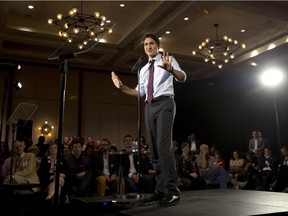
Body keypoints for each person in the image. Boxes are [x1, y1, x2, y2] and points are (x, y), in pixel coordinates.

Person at [111, 33, 186, 205]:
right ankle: (160, 190)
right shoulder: (144, 69)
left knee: (163, 145)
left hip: (165, 103)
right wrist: (122, 87)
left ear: (157, 46)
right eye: (145, 44)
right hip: (149, 106)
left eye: (151, 43)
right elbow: (140, 92)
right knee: (153, 149)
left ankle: (172, 190)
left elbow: (182, 77)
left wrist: (171, 70)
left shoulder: (168, 59)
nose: (148, 46)